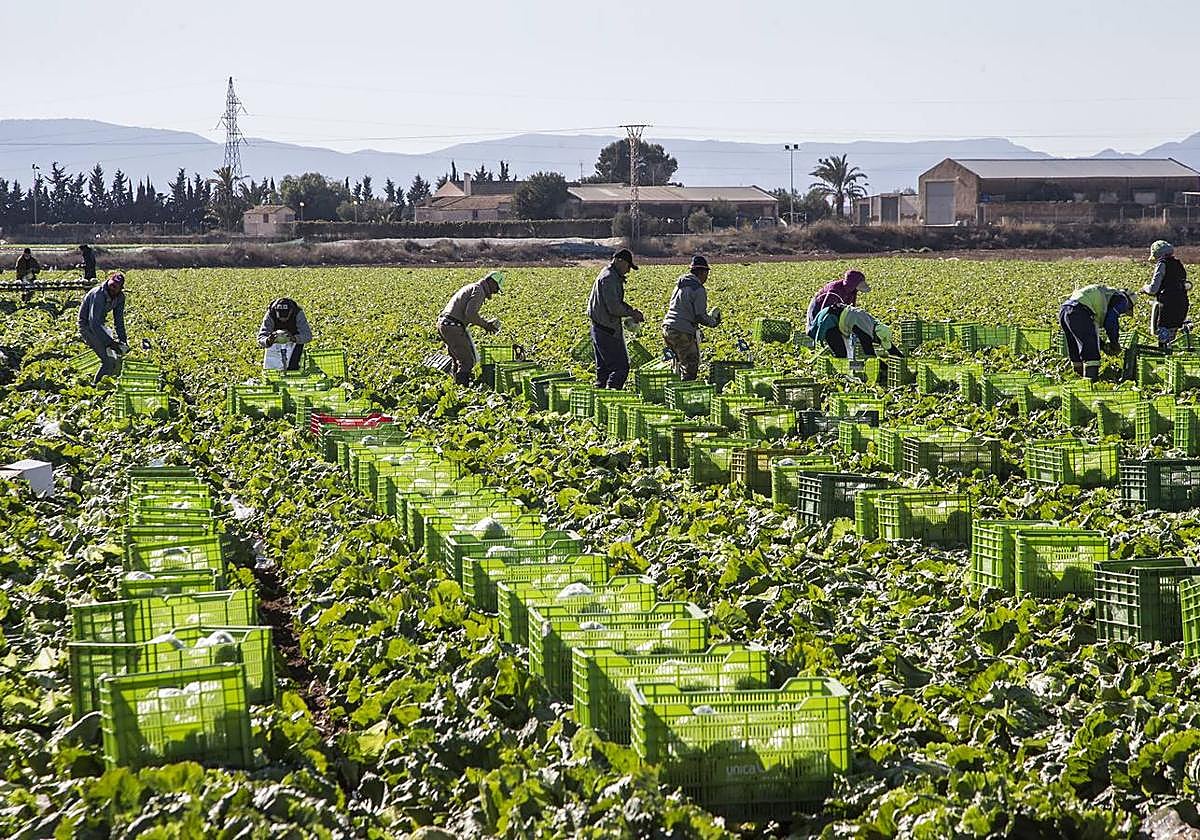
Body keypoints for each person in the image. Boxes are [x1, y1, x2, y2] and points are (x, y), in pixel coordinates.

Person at [587, 248, 644, 389]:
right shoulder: (609, 278)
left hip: (600, 328)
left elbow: (616, 303)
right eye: (628, 266)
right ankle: (611, 396)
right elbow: (614, 308)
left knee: (604, 371)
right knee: (621, 368)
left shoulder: (608, 274)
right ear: (619, 261)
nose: (628, 271)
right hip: (606, 330)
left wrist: (631, 311)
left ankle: (600, 400)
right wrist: (632, 314)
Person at [438, 271, 503, 386]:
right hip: (452, 326)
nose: (496, 291)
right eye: (496, 287)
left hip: (445, 324)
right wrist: (486, 325)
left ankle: (455, 386)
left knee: (458, 360)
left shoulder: (473, 287)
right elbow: (470, 314)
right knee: (467, 361)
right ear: (491, 282)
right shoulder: (479, 291)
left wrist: (484, 323)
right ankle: (462, 389)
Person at [662, 254, 721, 381]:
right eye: (706, 273)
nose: (707, 277)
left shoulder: (680, 285)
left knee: (677, 363)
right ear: (701, 272)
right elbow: (700, 315)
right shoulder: (698, 289)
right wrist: (713, 322)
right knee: (691, 364)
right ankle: (684, 392)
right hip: (681, 331)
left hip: (668, 328)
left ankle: (674, 386)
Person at [1059, 285, 1135, 381]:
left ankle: (1077, 380)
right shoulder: (1123, 300)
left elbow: (1087, 334)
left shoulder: (1109, 293)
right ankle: (1091, 382)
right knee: (1091, 353)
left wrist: (1103, 346)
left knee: (1075, 348)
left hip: (1065, 310)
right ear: (1130, 303)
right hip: (1080, 311)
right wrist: (1114, 343)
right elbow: (1111, 320)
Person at [810, 304, 902, 370]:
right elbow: (870, 356)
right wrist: (888, 368)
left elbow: (890, 348)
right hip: (830, 320)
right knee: (841, 353)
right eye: (879, 341)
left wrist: (902, 359)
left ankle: (839, 369)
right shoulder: (865, 333)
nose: (878, 343)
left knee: (844, 352)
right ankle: (835, 372)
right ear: (876, 336)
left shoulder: (874, 324)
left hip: (839, 314)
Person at [78, 272, 128, 382]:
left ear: (121, 288)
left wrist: (123, 341)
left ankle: (105, 382)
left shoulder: (120, 298)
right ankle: (96, 387)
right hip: (87, 327)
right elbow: (93, 322)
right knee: (108, 361)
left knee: (114, 358)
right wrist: (109, 342)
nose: (112, 288)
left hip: (99, 325)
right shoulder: (98, 294)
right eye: (112, 284)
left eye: (115, 287)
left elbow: (119, 321)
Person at [1143, 240, 1189, 351]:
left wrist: (1145, 287)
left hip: (1168, 306)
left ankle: (1164, 359)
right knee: (1172, 337)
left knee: (1163, 339)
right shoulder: (1178, 264)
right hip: (1182, 304)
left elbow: (1153, 289)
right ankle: (1171, 357)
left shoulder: (1162, 264)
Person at [257, 297, 313, 371]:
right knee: (273, 371)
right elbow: (261, 337)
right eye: (280, 316)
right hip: (274, 343)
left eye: (285, 316)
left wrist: (294, 338)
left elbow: (307, 335)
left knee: (293, 368)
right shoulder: (271, 314)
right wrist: (268, 340)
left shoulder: (298, 313)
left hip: (295, 342)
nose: (283, 319)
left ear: (291, 311)